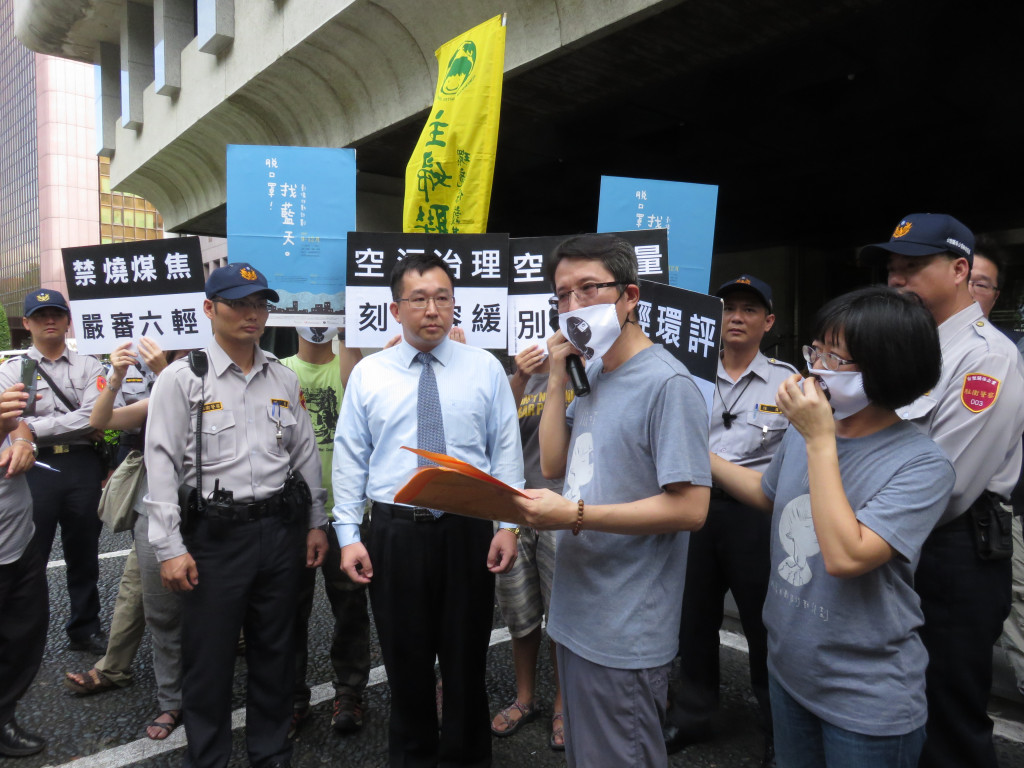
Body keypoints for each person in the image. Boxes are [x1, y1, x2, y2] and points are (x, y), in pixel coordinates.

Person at [711, 286, 955, 768]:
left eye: (834, 357)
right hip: (789, 667)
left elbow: (847, 556)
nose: (816, 366)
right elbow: (767, 494)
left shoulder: (922, 464)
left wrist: (820, 439)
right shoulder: (811, 432)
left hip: (864, 695)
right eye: (815, 350)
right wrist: (700, 455)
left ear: (886, 369)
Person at [510, 233, 711, 768]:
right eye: (562, 295)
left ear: (630, 296)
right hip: (578, 610)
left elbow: (691, 508)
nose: (573, 306)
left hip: (625, 625)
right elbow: (554, 464)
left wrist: (573, 514)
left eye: (589, 289)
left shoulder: (668, 385)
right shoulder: (593, 372)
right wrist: (556, 375)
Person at [333, 251, 523, 768]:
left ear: (455, 304)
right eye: (418, 299)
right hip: (394, 534)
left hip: (467, 530)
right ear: (396, 310)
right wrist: (349, 534)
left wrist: (508, 524)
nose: (432, 310)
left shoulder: (484, 367)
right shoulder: (370, 374)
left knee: (466, 662)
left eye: (442, 298)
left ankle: (466, 759)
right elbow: (350, 456)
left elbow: (505, 449)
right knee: (405, 663)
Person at [144, 262, 329, 768]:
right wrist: (170, 548)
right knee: (209, 660)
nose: (253, 314)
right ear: (210, 309)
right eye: (239, 303)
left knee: (276, 652)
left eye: (260, 303)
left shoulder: (282, 377)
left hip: (279, 531)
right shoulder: (181, 379)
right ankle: (208, 758)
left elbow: (303, 453)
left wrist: (316, 521)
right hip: (214, 538)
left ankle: (271, 753)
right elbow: (159, 464)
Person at [860, 213, 1024, 768]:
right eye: (892, 269)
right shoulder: (906, 348)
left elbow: (946, 487)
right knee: (899, 699)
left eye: (912, 267)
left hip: (952, 548)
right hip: (894, 537)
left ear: (959, 270)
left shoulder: (985, 356)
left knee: (948, 708)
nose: (897, 280)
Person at [668, 275, 795, 766]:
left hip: (755, 517)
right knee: (693, 618)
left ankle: (777, 727)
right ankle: (694, 715)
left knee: (767, 624)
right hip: (695, 509)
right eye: (729, 308)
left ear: (769, 321)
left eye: (749, 309)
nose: (736, 317)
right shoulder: (689, 375)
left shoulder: (790, 382)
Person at [67, 339, 187, 741]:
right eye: (179, 355)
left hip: (212, 512)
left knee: (215, 604)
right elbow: (101, 421)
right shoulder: (160, 390)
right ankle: (167, 698)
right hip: (155, 511)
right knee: (152, 603)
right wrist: (117, 375)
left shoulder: (217, 384)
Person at [0, 289, 106, 654]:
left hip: (80, 464)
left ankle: (84, 628)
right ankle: (26, 637)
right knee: (31, 556)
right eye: (41, 314)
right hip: (34, 466)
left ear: (67, 320)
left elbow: (98, 416)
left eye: (57, 314)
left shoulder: (89, 365)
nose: (50, 320)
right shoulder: (15, 370)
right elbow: (9, 421)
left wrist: (31, 428)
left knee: (84, 551)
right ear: (27, 323)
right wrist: (35, 429)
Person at [280, 326, 370, 737]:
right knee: (287, 611)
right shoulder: (279, 372)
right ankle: (293, 695)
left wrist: (349, 329)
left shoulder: (355, 369)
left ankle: (350, 691)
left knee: (351, 608)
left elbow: (357, 392)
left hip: (346, 515)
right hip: (291, 516)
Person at [490, 343, 570, 750]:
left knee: (563, 616)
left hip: (567, 509)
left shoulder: (594, 366)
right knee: (520, 614)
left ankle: (562, 704)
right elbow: (495, 425)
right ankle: (525, 698)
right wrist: (520, 376)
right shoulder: (525, 370)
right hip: (516, 509)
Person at [0, 382, 46, 756]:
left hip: (20, 540)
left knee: (23, 637)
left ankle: (3, 716)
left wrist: (22, 442)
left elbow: (18, 423)